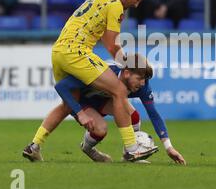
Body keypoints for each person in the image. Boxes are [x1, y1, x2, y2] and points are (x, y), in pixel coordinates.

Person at [23, 0, 156, 163]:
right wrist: (131, 66)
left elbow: (102, 35)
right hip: (76, 51)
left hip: (58, 51)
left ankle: (34, 146)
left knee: (69, 104)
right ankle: (131, 149)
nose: (136, 4)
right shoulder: (115, 5)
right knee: (119, 90)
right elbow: (111, 45)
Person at [43, 54, 186, 165]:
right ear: (126, 73)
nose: (142, 83)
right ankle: (87, 149)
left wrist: (168, 147)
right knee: (101, 129)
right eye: (140, 78)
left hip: (103, 100)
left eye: (145, 79)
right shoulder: (105, 72)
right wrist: (79, 112)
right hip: (83, 100)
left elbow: (153, 114)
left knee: (134, 117)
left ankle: (130, 155)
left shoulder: (143, 86)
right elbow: (62, 86)